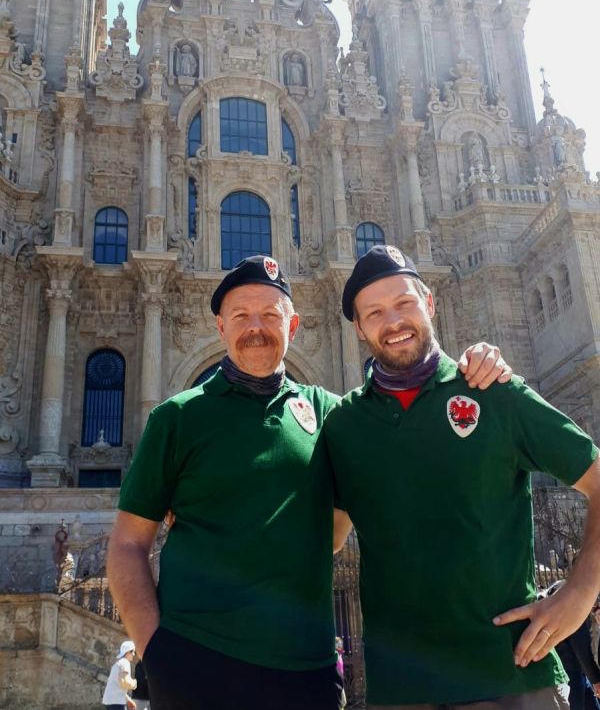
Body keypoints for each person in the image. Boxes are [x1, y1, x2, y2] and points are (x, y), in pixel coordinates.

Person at [107, 255, 510, 710]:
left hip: (307, 671)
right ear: (220, 327)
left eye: (270, 315)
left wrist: (471, 367)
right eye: (240, 316)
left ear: (293, 326)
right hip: (196, 662)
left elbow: (405, 435)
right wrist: (155, 651)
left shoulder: (330, 413)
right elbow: (126, 545)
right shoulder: (176, 418)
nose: (255, 327)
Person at [325, 244, 600, 710]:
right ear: (359, 328)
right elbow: (326, 540)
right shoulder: (344, 425)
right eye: (374, 312)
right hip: (401, 691)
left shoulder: (492, 390)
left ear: (430, 303)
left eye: (405, 303)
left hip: (511, 680)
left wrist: (580, 591)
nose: (393, 321)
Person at [546, 582, 600, 710]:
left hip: (569, 669)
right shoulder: (576, 601)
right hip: (573, 671)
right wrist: (596, 679)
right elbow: (581, 646)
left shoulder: (563, 591)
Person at [102, 640, 137, 710]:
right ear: (128, 652)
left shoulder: (118, 663)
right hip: (116, 702)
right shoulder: (125, 662)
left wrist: (128, 700)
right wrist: (134, 684)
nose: (134, 654)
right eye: (133, 651)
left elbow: (117, 685)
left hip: (110, 701)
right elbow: (123, 681)